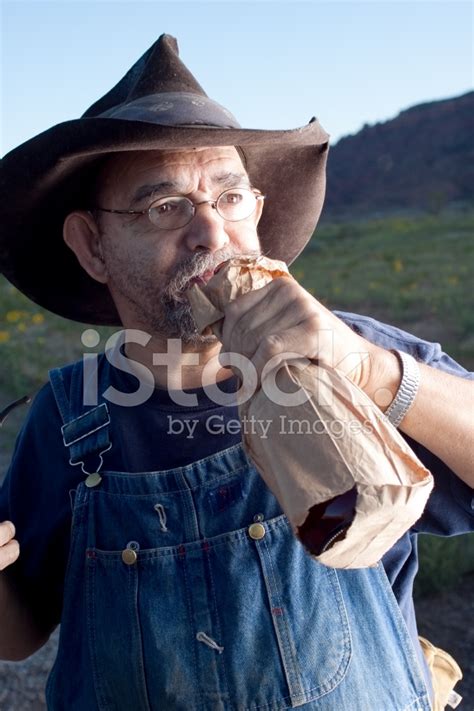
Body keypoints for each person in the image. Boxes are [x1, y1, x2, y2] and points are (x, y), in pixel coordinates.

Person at [0, 33, 472, 711]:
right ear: (92, 245)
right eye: (165, 207)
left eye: (230, 197)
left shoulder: (350, 358)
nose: (211, 234)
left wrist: (372, 369)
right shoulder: (70, 418)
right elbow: (20, 630)